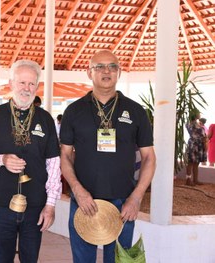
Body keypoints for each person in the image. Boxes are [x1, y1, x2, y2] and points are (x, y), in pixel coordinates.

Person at [60, 50, 156, 263]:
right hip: (84, 201)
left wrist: (136, 197)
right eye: (99, 66)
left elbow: (149, 157)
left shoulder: (136, 111)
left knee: (118, 260)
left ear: (119, 72)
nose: (106, 71)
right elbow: (65, 155)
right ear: (89, 72)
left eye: (112, 66)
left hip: (123, 203)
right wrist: (77, 189)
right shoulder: (73, 111)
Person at [0, 59, 62, 263]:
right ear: (11, 83)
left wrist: (50, 205)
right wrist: (2, 160)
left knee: (30, 258)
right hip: (0, 204)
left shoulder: (45, 119)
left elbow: (54, 165)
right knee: (3, 258)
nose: (26, 88)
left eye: (31, 84)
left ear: (37, 87)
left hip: (35, 206)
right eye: (21, 82)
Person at [185, 110, 207, 186]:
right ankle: (188, 180)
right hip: (194, 144)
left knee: (196, 163)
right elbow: (200, 133)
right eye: (198, 113)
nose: (200, 114)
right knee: (191, 162)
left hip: (197, 144)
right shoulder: (192, 123)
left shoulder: (193, 123)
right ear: (195, 114)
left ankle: (195, 180)